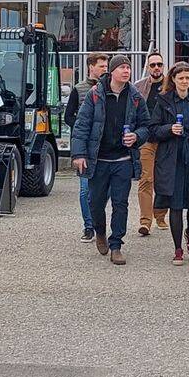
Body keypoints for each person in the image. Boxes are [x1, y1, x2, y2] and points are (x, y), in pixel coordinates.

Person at [71, 55, 149, 264]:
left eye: (129, 68)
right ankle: (100, 232)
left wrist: (137, 136)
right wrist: (79, 154)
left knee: (120, 203)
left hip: (123, 159)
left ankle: (116, 245)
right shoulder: (95, 94)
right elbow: (82, 125)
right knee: (95, 203)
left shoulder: (135, 97)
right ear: (112, 71)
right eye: (122, 67)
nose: (126, 71)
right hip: (99, 160)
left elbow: (146, 126)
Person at [148, 62, 189, 266]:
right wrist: (169, 129)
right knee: (175, 205)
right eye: (181, 78)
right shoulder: (164, 101)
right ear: (173, 80)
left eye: (187, 78)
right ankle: (177, 248)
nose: (185, 81)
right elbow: (153, 129)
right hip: (172, 158)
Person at [64, 52, 109, 242]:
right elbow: (68, 116)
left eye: (107, 67)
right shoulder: (79, 89)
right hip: (86, 147)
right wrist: (83, 129)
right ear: (91, 67)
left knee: (103, 190)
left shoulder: (110, 89)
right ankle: (89, 226)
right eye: (101, 66)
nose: (105, 70)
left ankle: (97, 220)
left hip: (104, 147)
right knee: (85, 189)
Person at [132, 52, 167, 235]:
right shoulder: (139, 87)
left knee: (164, 179)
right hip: (146, 139)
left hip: (166, 139)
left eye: (159, 64)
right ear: (148, 66)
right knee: (146, 179)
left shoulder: (171, 85)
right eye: (152, 65)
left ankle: (160, 216)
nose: (156, 68)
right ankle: (145, 221)